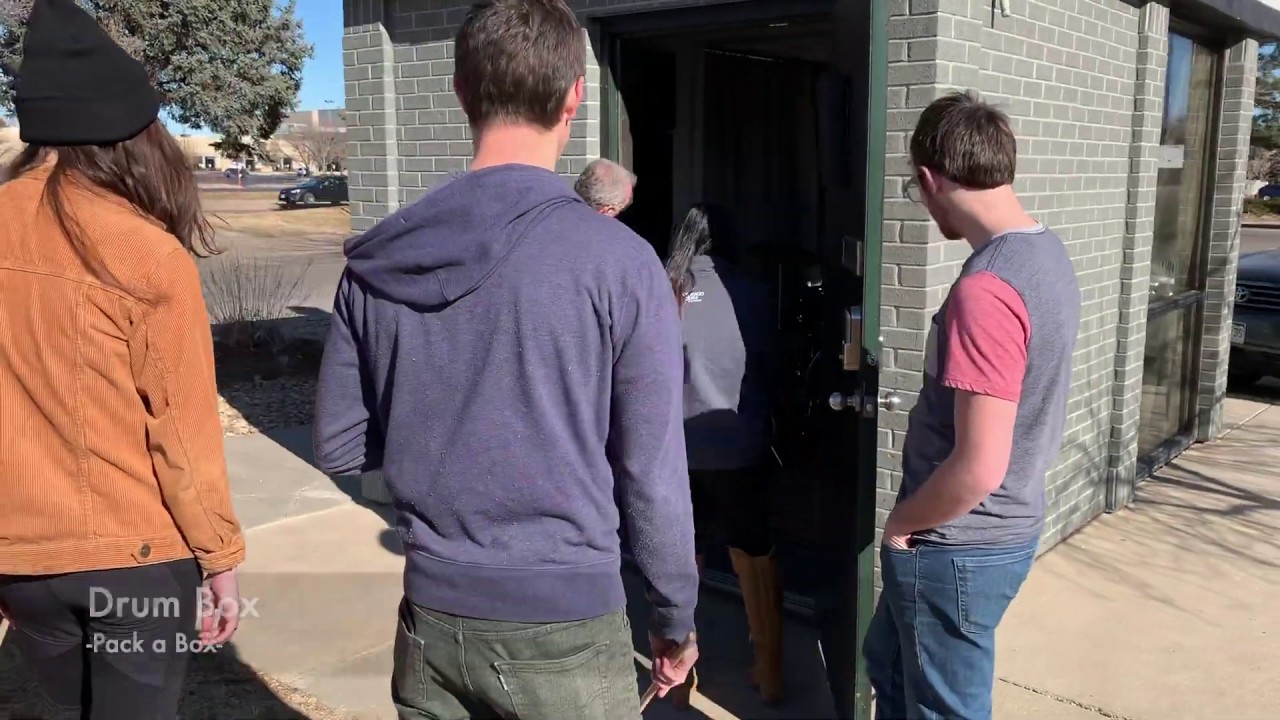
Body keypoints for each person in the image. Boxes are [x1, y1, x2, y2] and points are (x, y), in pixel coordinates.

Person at [311, 1, 700, 717]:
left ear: (460, 92)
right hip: (567, 626)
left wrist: (438, 491)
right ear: (575, 97)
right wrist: (675, 618)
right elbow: (651, 472)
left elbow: (339, 445)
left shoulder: (380, 261)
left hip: (432, 616)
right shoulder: (620, 262)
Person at [0, 1, 245, 717]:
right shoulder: (146, 251)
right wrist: (221, 559)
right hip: (135, 560)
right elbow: (184, 431)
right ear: (135, 134)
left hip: (24, 559)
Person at [863, 91, 1081, 720]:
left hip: (956, 544)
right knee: (892, 668)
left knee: (943, 708)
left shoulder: (986, 289)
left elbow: (980, 464)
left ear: (930, 180)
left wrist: (902, 524)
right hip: (997, 532)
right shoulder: (1046, 252)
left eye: (915, 189)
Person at [665, 203, 784, 705]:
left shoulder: (667, 292)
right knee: (756, 554)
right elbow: (770, 368)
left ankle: (680, 673)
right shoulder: (752, 293)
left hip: (682, 452)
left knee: (680, 560)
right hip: (743, 447)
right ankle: (770, 672)